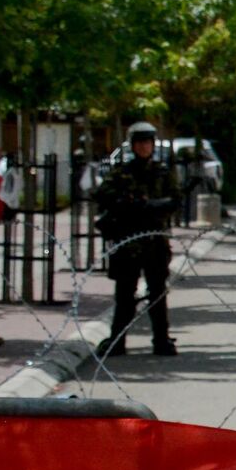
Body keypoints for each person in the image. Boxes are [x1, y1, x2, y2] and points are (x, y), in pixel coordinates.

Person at [96, 121, 181, 356]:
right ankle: (117, 341)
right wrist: (131, 207)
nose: (144, 147)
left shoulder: (162, 172)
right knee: (124, 294)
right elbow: (104, 196)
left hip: (154, 241)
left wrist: (152, 207)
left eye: (148, 143)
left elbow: (174, 200)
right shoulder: (122, 173)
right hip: (129, 242)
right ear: (132, 146)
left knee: (157, 294)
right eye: (140, 143)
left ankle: (161, 340)